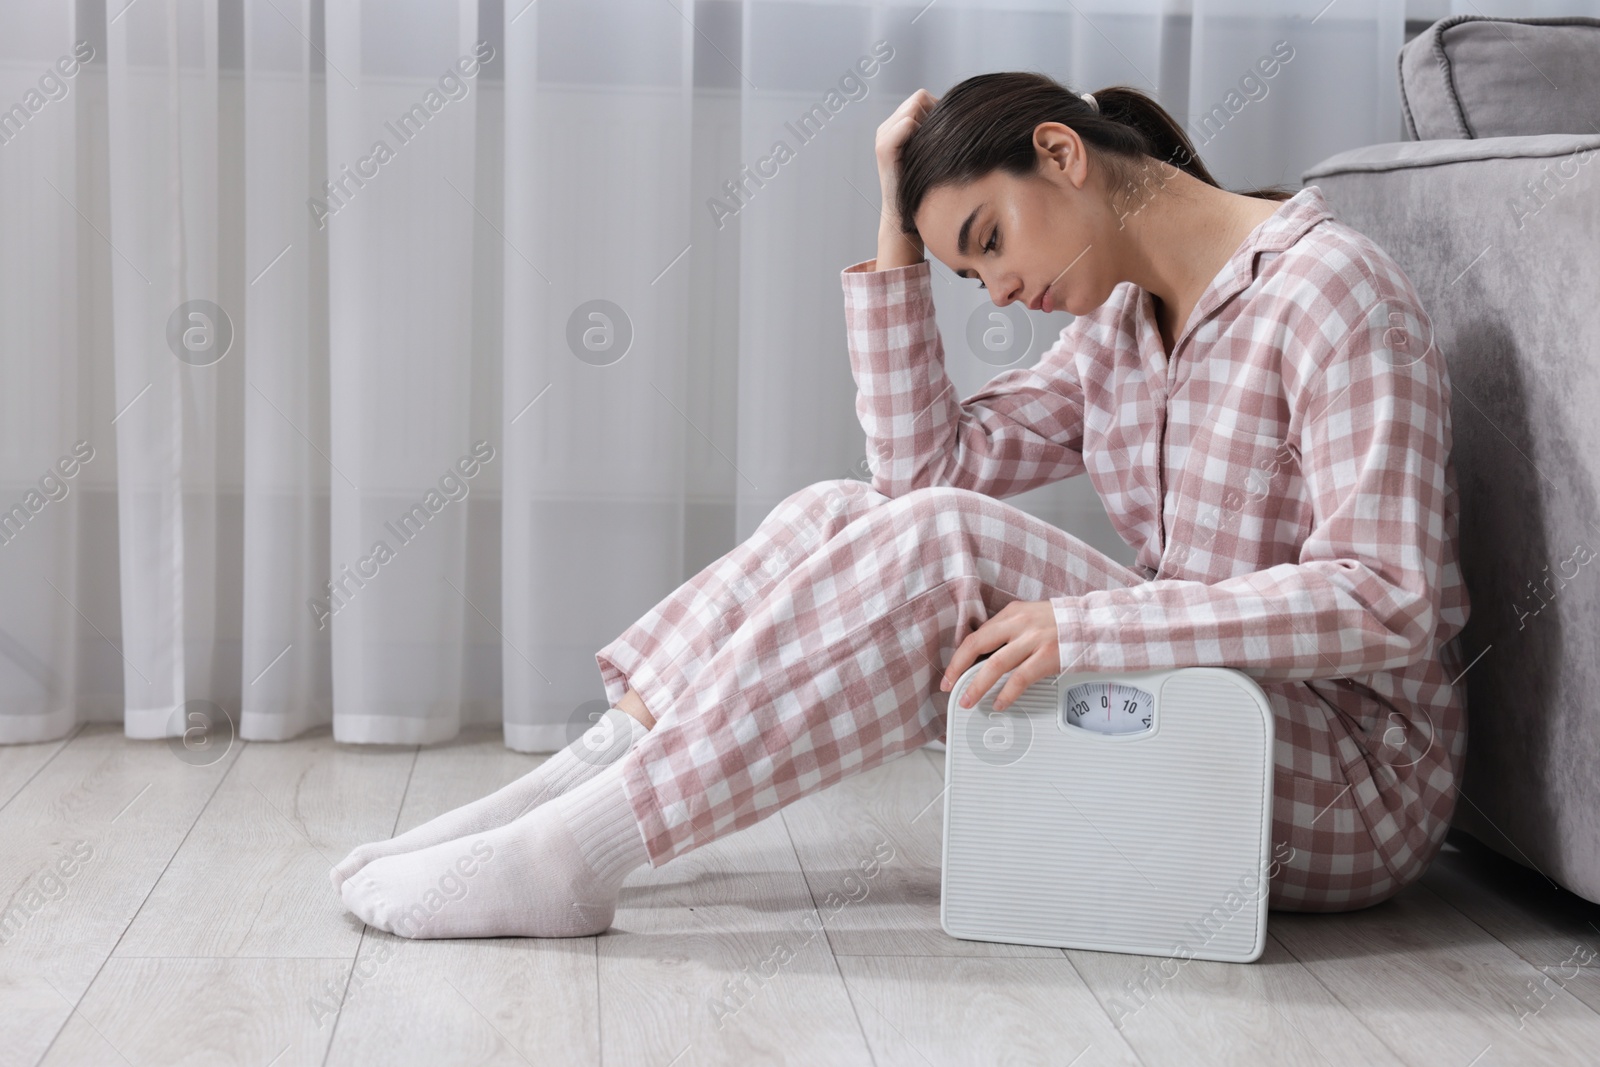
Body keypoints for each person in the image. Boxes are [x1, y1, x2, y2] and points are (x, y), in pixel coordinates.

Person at [332, 72, 1469, 939]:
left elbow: (1388, 597)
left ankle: (576, 855)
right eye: (970, 276)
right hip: (1197, 715)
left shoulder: (1331, 291)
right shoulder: (1121, 328)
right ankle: (567, 792)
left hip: (1347, 778)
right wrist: (897, 226)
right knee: (843, 509)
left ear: (1061, 153)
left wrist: (1087, 627)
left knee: (939, 542)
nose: (1003, 292)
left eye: (987, 241)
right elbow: (918, 475)